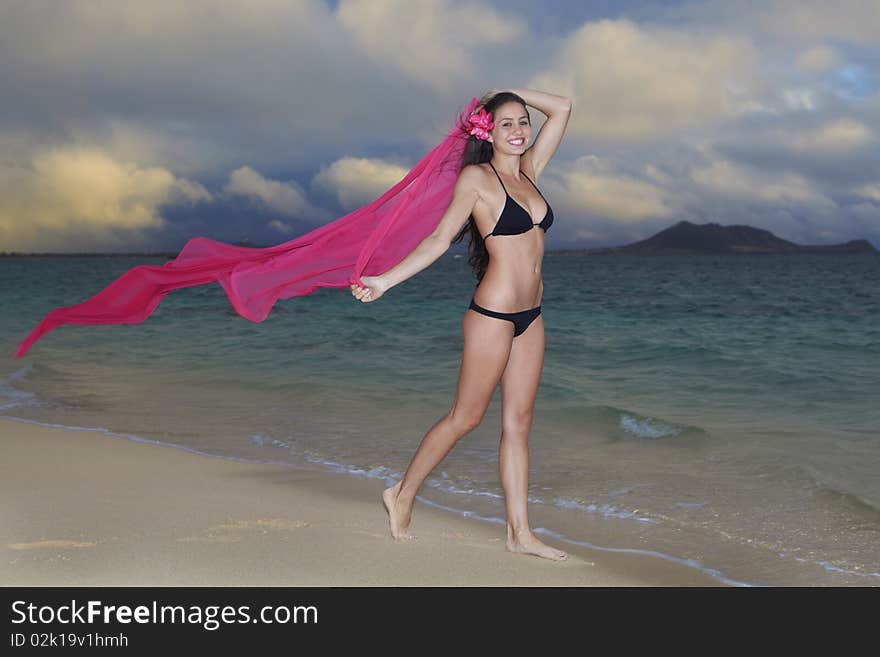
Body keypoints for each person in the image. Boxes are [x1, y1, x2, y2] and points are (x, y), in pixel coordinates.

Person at [350, 88, 572, 561]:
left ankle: (520, 533)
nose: (517, 130)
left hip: (532, 316)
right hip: (492, 314)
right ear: (487, 130)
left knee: (520, 423)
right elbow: (437, 240)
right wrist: (386, 281)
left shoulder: (532, 171)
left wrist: (504, 89)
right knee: (465, 418)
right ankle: (402, 492)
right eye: (506, 122)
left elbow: (564, 106)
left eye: (522, 122)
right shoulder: (476, 179)